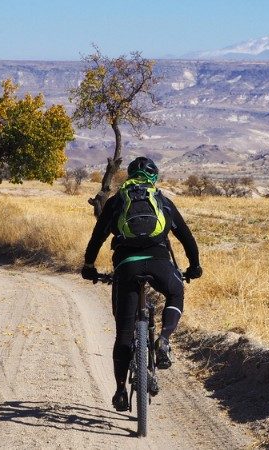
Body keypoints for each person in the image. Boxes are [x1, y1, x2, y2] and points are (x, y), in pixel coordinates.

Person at [81, 156, 202, 411]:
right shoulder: (162, 200)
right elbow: (187, 237)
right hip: (160, 263)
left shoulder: (116, 201)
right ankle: (164, 338)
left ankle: (120, 391)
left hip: (127, 266)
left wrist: (89, 266)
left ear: (128, 176)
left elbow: (97, 238)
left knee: (124, 334)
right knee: (175, 293)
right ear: (154, 177)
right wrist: (194, 266)